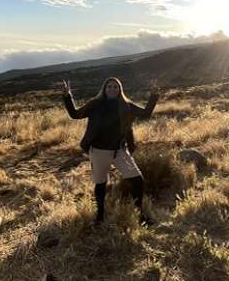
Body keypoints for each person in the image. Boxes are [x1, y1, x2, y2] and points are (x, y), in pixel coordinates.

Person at [61, 77, 159, 226]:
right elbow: (75, 114)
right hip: (98, 152)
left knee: (137, 180)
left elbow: (146, 113)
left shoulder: (126, 105)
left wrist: (153, 95)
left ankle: (140, 215)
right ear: (104, 89)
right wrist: (68, 96)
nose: (112, 89)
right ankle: (100, 216)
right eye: (109, 87)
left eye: (115, 87)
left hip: (120, 151)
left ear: (120, 90)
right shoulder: (95, 104)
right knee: (101, 184)